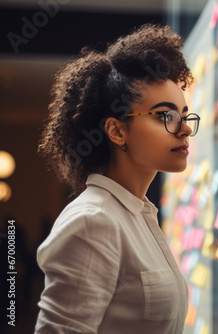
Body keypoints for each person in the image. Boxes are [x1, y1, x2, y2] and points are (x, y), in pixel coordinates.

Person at [36, 23, 200, 334]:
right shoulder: (93, 221)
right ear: (117, 130)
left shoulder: (140, 214)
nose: (185, 128)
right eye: (165, 116)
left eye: (184, 114)